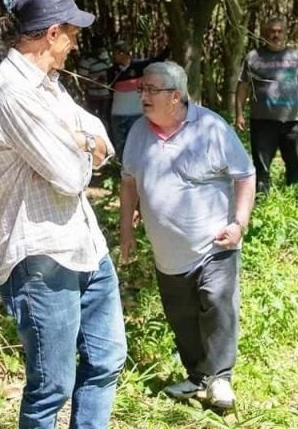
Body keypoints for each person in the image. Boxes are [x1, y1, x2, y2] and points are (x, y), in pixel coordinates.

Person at [0, 0, 127, 429]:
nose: (76, 44)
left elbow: (104, 138)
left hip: (86, 244)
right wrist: (83, 148)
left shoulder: (49, 86)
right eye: (72, 34)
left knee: (106, 359)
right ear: (52, 33)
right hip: (42, 252)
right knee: (52, 387)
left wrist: (79, 142)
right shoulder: (11, 93)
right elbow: (71, 176)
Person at [119, 61, 255, 409]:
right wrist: (125, 231)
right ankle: (198, 377)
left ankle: (221, 378)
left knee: (218, 305)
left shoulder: (211, 127)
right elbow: (129, 181)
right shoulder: (138, 131)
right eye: (142, 90)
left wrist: (239, 223)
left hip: (215, 244)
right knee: (181, 317)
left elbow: (245, 174)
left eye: (151, 90)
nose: (143, 96)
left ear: (175, 96)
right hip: (168, 253)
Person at [235, 17, 298, 195]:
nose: (275, 35)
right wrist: (239, 113)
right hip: (262, 122)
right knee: (261, 167)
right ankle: (262, 201)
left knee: (295, 164)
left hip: (292, 121)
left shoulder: (296, 56)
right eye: (271, 31)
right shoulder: (254, 57)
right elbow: (243, 86)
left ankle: (297, 201)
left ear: (285, 33)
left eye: (279, 31)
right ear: (264, 34)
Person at [108, 41, 170, 156]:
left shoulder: (140, 67)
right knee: (121, 145)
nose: (114, 56)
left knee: (137, 143)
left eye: (116, 53)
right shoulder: (112, 71)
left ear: (123, 53)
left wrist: (170, 45)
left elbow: (158, 59)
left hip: (136, 113)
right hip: (117, 114)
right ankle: (124, 170)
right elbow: (110, 92)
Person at [77, 35, 112, 132]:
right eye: (99, 48)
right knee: (97, 120)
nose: (101, 50)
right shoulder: (86, 60)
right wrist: (96, 80)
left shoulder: (105, 55)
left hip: (107, 95)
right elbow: (82, 79)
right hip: (94, 97)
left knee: (108, 119)